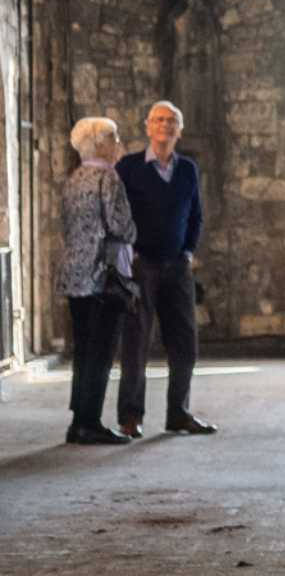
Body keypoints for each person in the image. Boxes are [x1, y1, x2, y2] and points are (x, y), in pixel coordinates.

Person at [115, 100, 215, 436]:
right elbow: (119, 214)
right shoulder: (129, 167)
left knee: (185, 342)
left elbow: (196, 215)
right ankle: (131, 416)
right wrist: (130, 252)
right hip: (142, 264)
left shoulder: (187, 170)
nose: (165, 126)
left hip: (177, 265)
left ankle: (178, 413)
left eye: (171, 121)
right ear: (147, 127)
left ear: (179, 130)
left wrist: (188, 251)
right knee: (136, 341)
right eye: (159, 120)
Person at [61, 118, 137, 445]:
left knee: (83, 349)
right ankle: (89, 422)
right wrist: (135, 233)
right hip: (101, 274)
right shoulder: (108, 177)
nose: (118, 143)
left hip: (74, 273)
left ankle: (79, 419)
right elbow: (120, 224)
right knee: (102, 350)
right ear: (101, 143)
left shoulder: (74, 178)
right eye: (114, 138)